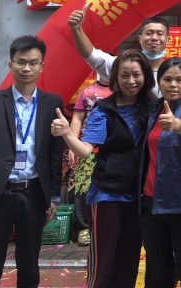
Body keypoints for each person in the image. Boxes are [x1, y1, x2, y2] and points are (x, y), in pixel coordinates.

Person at [0, 35, 63, 288]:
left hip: (33, 193)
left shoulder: (52, 103)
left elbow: (55, 153)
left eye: (33, 63)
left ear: (41, 66)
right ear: (11, 64)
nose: (26, 68)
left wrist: (53, 196)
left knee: (29, 265)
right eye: (21, 62)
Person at [51, 49, 152, 288]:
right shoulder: (104, 110)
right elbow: (86, 150)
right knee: (103, 262)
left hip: (138, 196)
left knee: (129, 260)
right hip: (107, 194)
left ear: (145, 76)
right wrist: (67, 134)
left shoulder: (151, 107)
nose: (131, 81)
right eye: (124, 75)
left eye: (136, 75)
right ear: (115, 77)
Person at [138, 57, 181, 288]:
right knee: (158, 271)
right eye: (167, 79)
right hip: (151, 203)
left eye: (179, 79)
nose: (173, 84)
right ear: (159, 82)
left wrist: (177, 125)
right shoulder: (152, 109)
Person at [68, 8, 172, 98]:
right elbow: (91, 56)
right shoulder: (121, 66)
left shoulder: (174, 72)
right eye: (149, 33)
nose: (154, 38)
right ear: (140, 39)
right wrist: (76, 28)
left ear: (167, 40)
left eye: (160, 34)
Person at [67, 73, 111, 246]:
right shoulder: (87, 92)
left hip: (113, 148)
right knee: (83, 187)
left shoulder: (122, 91)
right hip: (87, 147)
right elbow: (77, 119)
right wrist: (73, 145)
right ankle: (84, 227)